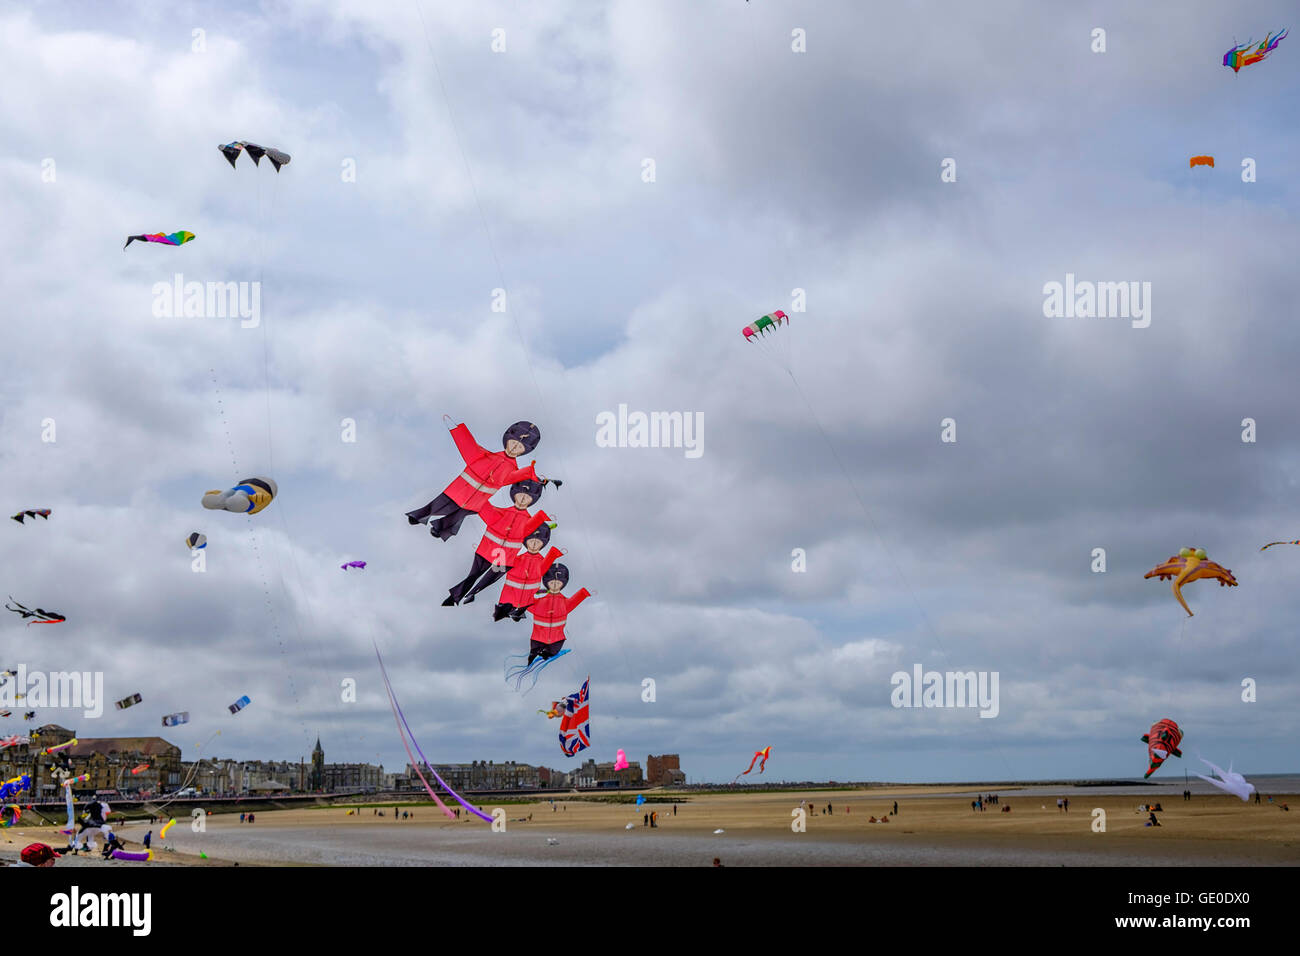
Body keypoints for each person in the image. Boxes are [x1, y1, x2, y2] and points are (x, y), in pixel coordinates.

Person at [406, 420, 543, 540]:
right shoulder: (484, 456)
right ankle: (419, 515)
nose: (514, 447)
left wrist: (533, 475)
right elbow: (468, 446)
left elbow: (521, 476)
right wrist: (457, 429)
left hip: (478, 501)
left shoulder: (513, 470)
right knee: (438, 504)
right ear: (507, 440)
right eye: (513, 443)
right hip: (459, 490)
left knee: (456, 517)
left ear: (523, 451)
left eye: (519, 447)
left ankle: (440, 528)